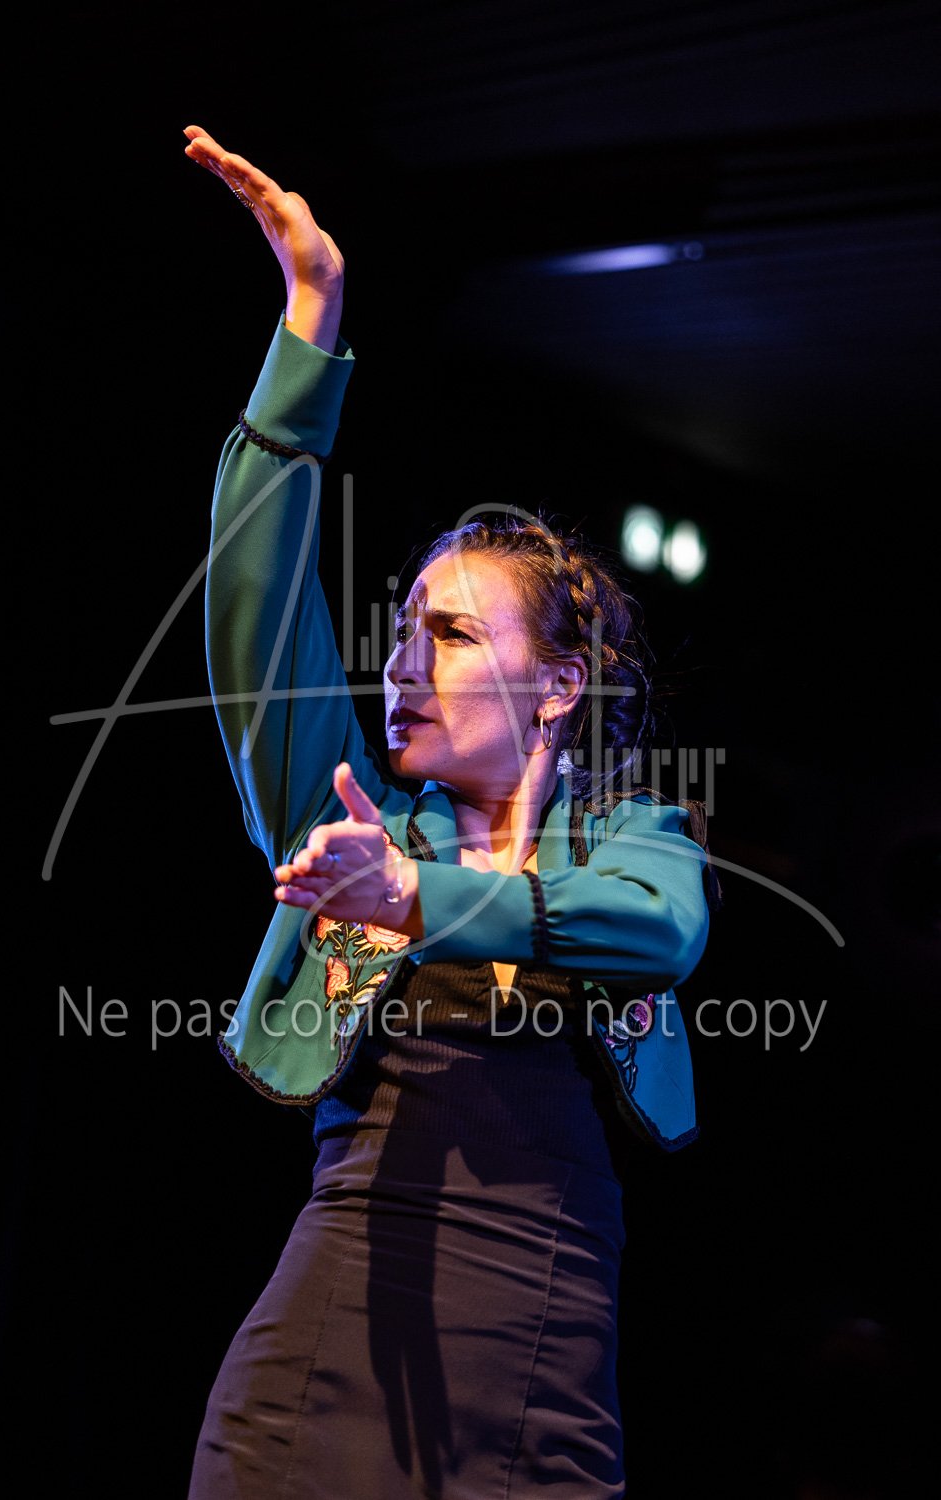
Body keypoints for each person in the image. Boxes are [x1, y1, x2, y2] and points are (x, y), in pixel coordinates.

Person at [183, 124, 715, 1499]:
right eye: (405, 629)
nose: (405, 660)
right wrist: (310, 327)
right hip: (327, 1343)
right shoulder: (352, 817)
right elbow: (251, 599)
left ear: (560, 688)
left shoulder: (634, 846)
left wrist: (422, 897)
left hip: (542, 1365)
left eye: (457, 634)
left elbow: (663, 931)